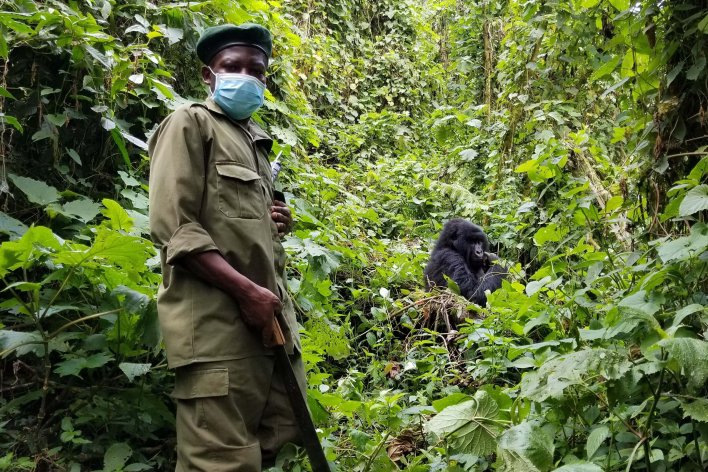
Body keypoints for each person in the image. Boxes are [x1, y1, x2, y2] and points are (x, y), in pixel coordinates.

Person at [148, 23, 305, 472]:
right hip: (219, 333)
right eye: (230, 66)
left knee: (276, 439)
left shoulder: (254, 140)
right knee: (220, 462)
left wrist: (277, 220)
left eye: (254, 69)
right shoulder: (190, 123)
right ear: (208, 74)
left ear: (265, 79)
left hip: (269, 328)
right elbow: (176, 230)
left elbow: (234, 222)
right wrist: (247, 293)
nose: (243, 75)